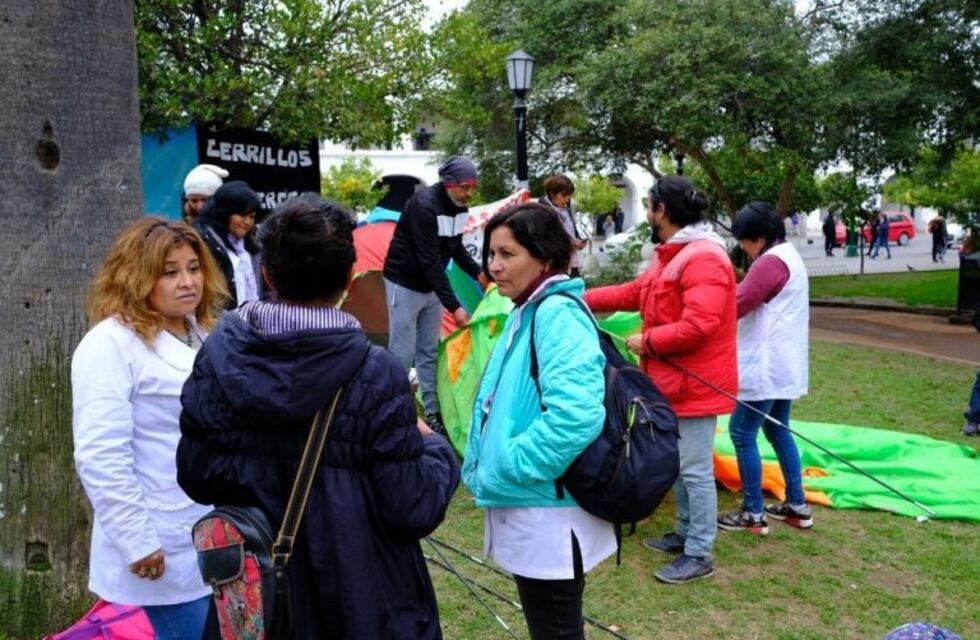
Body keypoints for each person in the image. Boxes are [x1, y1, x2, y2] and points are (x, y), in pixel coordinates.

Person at [177, 195, 461, 639]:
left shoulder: (217, 355)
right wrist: (435, 447)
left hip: (260, 601)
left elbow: (196, 473)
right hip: (361, 601)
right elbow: (413, 505)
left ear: (267, 272)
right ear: (350, 278)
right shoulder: (375, 373)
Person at [462, 202, 615, 640]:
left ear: (545, 258)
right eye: (491, 254)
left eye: (508, 255)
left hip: (547, 512)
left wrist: (511, 463)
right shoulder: (527, 309)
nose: (494, 267)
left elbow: (575, 416)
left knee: (556, 630)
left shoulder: (556, 315)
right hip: (535, 506)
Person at [71, 218, 228, 640]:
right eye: (169, 271)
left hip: (218, 529)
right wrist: (135, 540)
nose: (187, 282)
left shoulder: (209, 333)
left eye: (193, 268)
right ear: (138, 276)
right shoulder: (111, 344)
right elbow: (101, 454)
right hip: (162, 539)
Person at [583, 175, 737, 584]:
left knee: (695, 469)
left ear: (661, 211)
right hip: (670, 384)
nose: (647, 214)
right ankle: (685, 532)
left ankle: (700, 551)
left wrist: (647, 340)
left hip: (695, 383)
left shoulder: (704, 257)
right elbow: (637, 292)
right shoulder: (673, 254)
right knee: (678, 463)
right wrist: (581, 295)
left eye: (649, 207)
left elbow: (700, 324)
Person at [716, 202, 813, 536]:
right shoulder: (789, 256)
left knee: (742, 433)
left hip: (766, 365)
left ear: (758, 237)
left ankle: (753, 512)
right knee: (777, 430)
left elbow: (738, 304)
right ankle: (797, 506)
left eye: (744, 240)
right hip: (783, 364)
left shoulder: (770, 263)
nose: (741, 246)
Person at [382, 155, 490, 433]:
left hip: (431, 285)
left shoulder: (459, 208)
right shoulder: (423, 206)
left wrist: (479, 274)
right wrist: (454, 306)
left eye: (472, 188)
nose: (469, 194)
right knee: (402, 354)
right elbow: (429, 260)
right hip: (404, 282)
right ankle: (394, 412)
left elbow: (455, 248)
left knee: (428, 351)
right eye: (464, 187)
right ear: (448, 183)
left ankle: (431, 412)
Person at [194, 180, 263, 309]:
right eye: (242, 215)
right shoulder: (206, 244)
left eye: (252, 216)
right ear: (225, 212)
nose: (247, 222)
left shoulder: (253, 244)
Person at [539, 174, 588, 277]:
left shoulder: (567, 207)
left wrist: (578, 241)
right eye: (564, 195)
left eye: (569, 195)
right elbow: (543, 240)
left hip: (571, 261)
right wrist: (567, 244)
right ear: (553, 193)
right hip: (554, 265)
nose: (567, 199)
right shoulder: (541, 211)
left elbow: (571, 230)